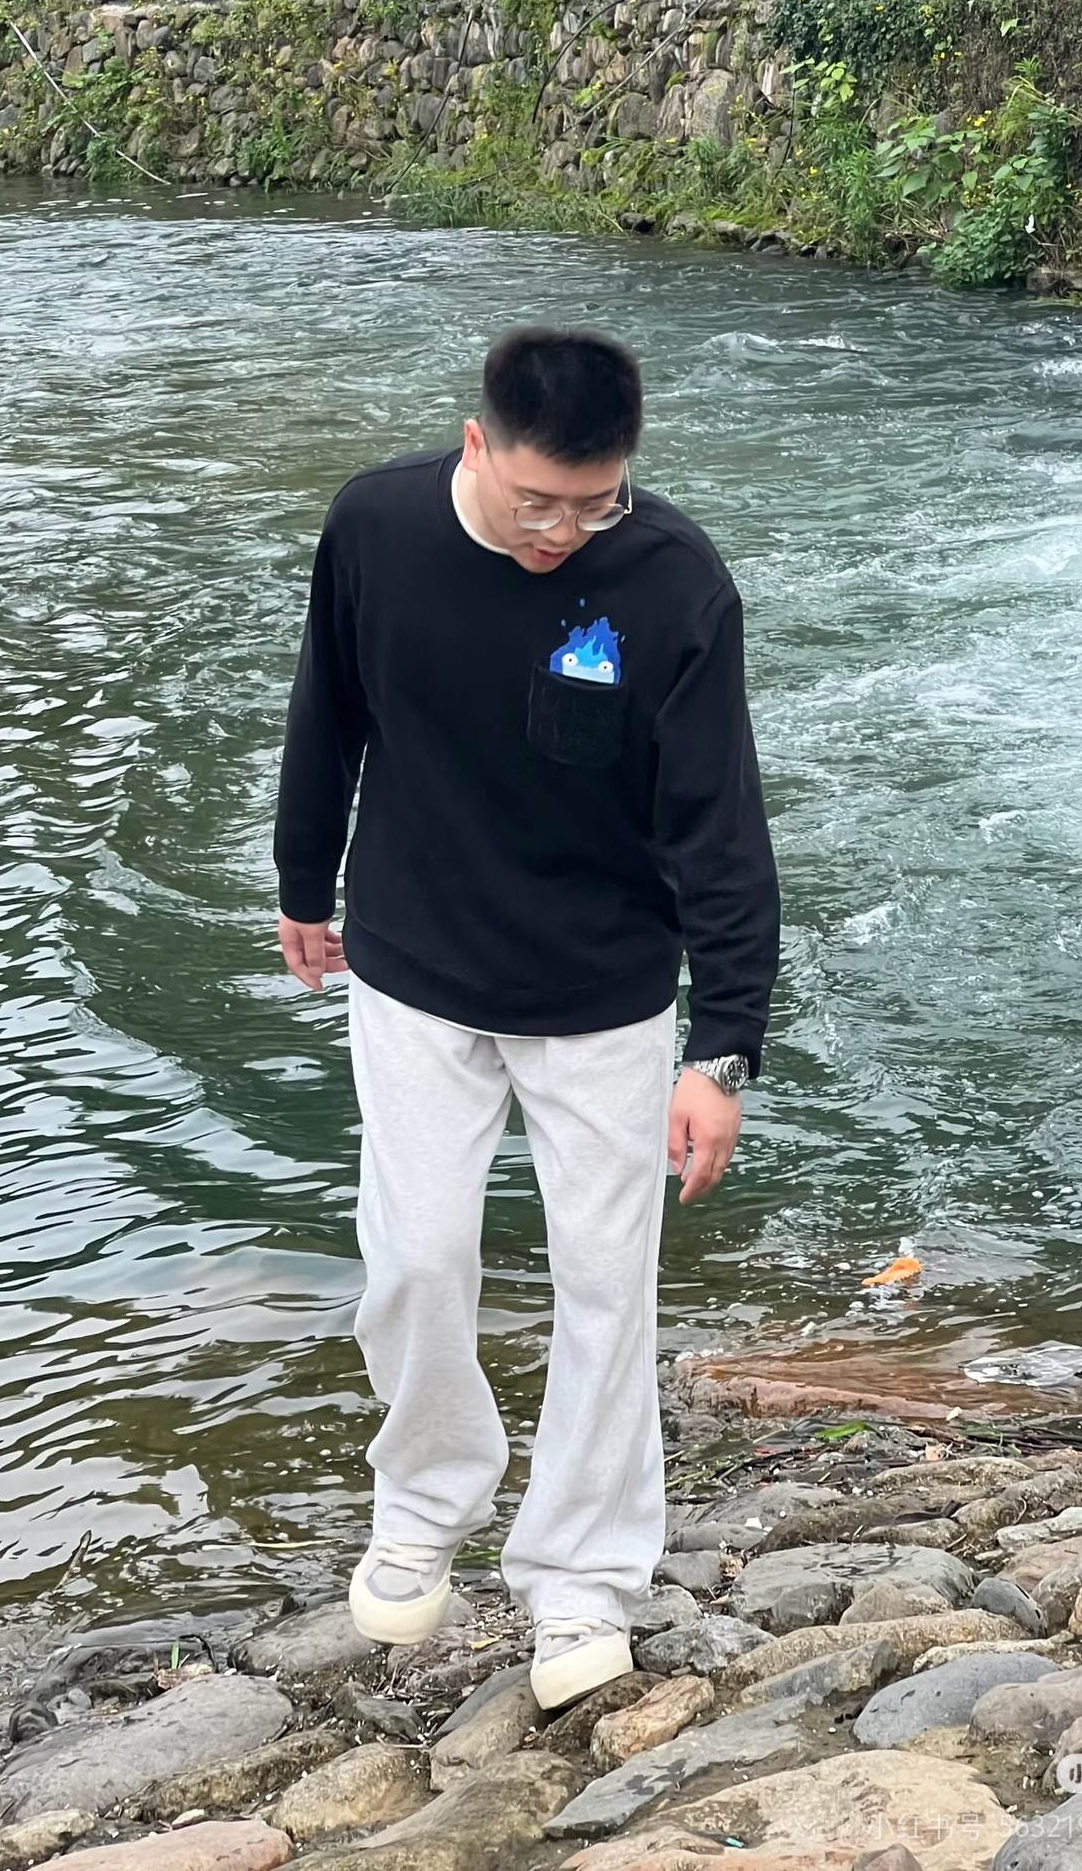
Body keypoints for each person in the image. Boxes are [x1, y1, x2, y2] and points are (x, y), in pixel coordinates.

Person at [274, 327, 780, 1713]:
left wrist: (721, 1047)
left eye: (595, 504)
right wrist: (302, 882)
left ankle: (581, 1579)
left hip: (603, 993)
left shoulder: (673, 582)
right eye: (537, 501)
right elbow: (328, 711)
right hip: (412, 962)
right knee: (418, 1255)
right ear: (476, 444)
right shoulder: (376, 525)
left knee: (606, 1285)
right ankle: (425, 1501)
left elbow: (721, 826)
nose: (563, 532)